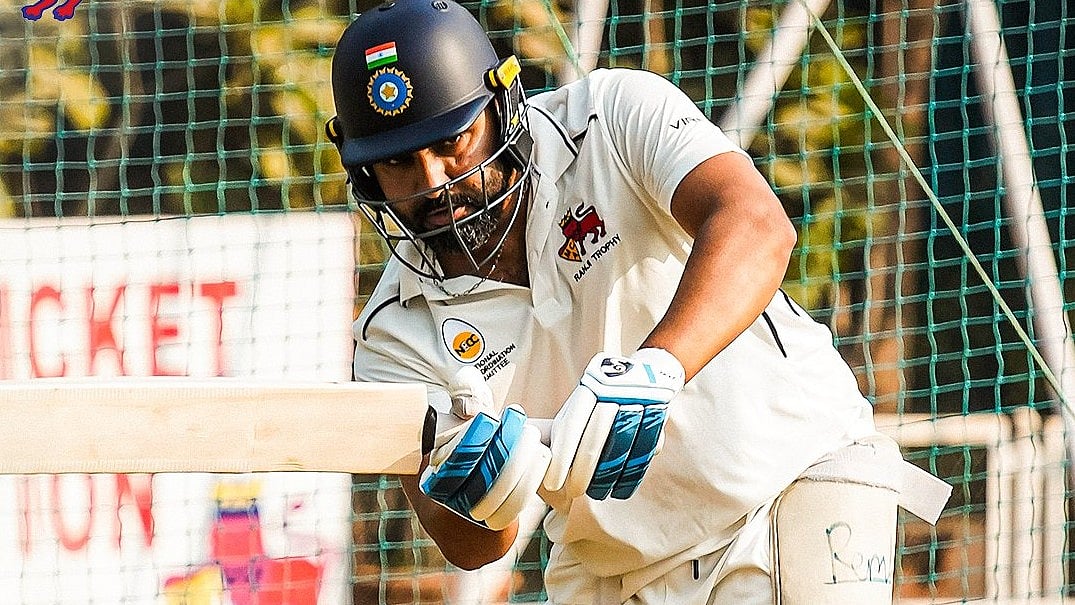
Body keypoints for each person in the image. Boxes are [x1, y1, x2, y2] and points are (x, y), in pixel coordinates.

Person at [327, 1, 950, 603]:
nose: (437, 182)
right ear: (366, 177)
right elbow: (471, 546)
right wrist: (489, 493)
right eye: (401, 163)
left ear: (500, 107)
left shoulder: (609, 115)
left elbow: (757, 225)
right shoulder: (391, 333)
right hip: (619, 571)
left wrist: (657, 367)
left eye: (452, 142)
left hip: (790, 483)